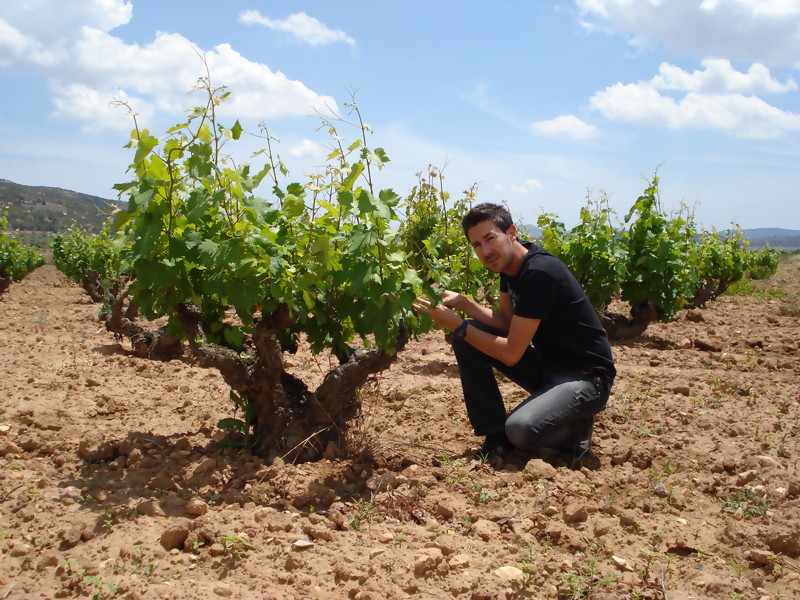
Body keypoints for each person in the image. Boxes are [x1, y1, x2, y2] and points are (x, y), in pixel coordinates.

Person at [413, 202, 615, 466]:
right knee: (466, 341)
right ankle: (495, 437)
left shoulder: (538, 273)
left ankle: (575, 429)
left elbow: (511, 353)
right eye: (477, 245)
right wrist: (464, 304)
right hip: (549, 368)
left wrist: (456, 324)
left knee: (520, 429)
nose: (485, 251)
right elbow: (506, 323)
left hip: (587, 380)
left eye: (490, 238)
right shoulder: (510, 269)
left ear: (511, 233)